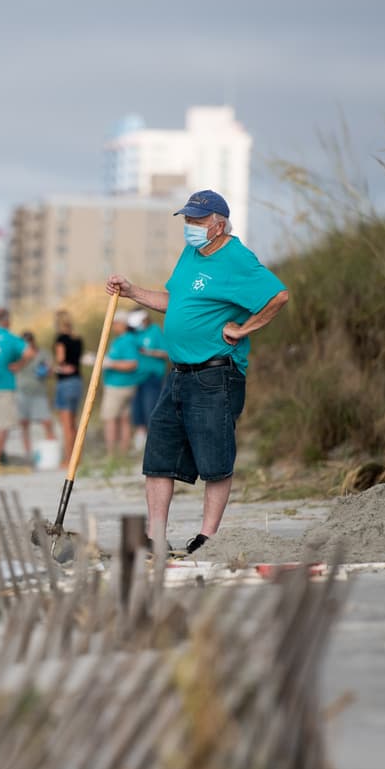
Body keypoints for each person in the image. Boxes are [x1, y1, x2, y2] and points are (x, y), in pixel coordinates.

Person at [106, 189, 289, 554]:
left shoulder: (237, 258)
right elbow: (174, 302)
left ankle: (207, 538)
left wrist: (243, 329)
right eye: (187, 219)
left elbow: (277, 295)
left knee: (215, 459)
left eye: (197, 220)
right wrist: (132, 292)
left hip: (215, 374)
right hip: (178, 373)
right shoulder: (191, 254)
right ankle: (156, 537)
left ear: (218, 225)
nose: (189, 226)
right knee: (158, 455)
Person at [0, 308, 35, 465]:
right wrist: (19, 364)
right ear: (7, 321)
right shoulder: (9, 338)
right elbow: (30, 352)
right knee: (3, 426)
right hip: (3, 386)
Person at [100, 313, 141, 456]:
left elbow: (132, 364)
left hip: (119, 386)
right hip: (123, 385)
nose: (113, 326)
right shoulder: (119, 340)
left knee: (110, 418)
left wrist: (110, 364)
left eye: (115, 323)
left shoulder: (127, 340)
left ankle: (111, 453)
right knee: (124, 419)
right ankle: (122, 453)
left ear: (123, 324)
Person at [128, 309, 168, 449]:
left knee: (151, 409)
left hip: (152, 378)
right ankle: (141, 445)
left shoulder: (155, 330)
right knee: (137, 412)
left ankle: (156, 444)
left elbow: (166, 353)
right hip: (136, 378)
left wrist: (149, 352)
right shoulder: (135, 333)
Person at [16, 331, 56, 461]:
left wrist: (46, 370)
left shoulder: (43, 353)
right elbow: (12, 368)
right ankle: (28, 454)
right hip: (22, 392)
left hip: (39, 392)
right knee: (24, 423)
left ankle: (52, 451)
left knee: (46, 421)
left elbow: (50, 371)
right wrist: (25, 359)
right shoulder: (18, 354)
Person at [52, 310, 83, 463]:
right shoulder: (77, 339)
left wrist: (53, 368)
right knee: (74, 423)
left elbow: (61, 360)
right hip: (77, 382)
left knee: (66, 425)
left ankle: (69, 459)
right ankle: (78, 457)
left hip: (65, 383)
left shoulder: (61, 339)